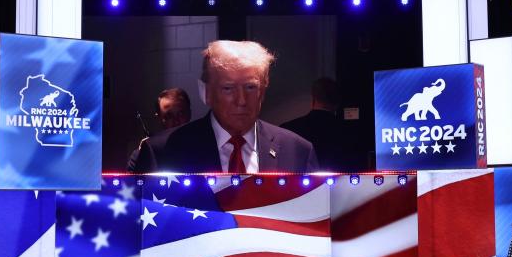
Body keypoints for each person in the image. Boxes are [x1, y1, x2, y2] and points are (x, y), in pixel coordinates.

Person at [134, 40, 318, 173]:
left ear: (263, 90)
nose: (241, 100)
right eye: (228, 88)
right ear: (206, 92)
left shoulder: (297, 151)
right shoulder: (161, 153)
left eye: (250, 87)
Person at [280, 78, 355, 171]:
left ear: (313, 99)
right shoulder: (351, 133)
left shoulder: (288, 129)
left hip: (298, 184)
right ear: (338, 103)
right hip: (341, 184)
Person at [127, 88, 193, 171]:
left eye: (181, 114)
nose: (176, 121)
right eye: (169, 116)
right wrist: (144, 156)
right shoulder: (147, 151)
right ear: (159, 118)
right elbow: (132, 182)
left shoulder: (206, 144)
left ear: (189, 113)